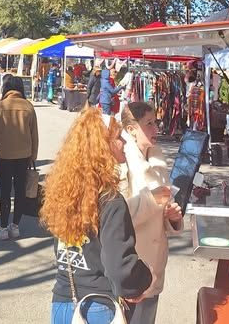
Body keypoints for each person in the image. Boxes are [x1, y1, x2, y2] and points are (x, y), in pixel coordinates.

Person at [40, 107, 153, 323]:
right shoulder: (111, 201)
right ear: (103, 146)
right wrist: (145, 277)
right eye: (119, 136)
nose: (125, 142)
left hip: (63, 303)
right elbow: (119, 267)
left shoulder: (65, 192)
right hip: (98, 308)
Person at [119, 102, 183, 324]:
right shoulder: (122, 163)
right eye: (149, 124)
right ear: (131, 129)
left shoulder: (157, 158)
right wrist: (155, 199)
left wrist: (173, 219)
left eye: (155, 122)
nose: (156, 129)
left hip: (154, 269)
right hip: (131, 268)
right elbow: (118, 218)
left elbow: (164, 206)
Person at [0, 76, 38, 240]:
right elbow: (34, 135)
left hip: (5, 155)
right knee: (20, 190)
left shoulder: (0, 107)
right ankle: (15, 226)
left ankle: (2, 227)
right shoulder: (28, 107)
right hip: (24, 155)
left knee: (5, 191)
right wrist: (33, 156)